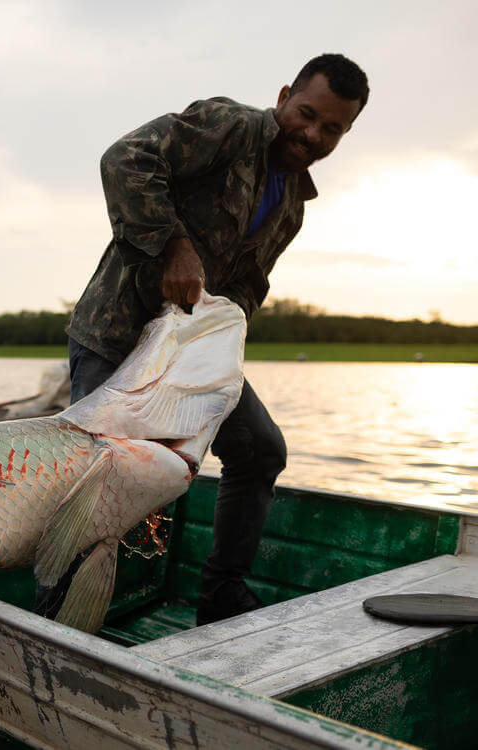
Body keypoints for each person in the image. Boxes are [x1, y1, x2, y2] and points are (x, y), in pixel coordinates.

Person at [53, 54, 369, 626]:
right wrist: (173, 244)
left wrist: (221, 346)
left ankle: (221, 594)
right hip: (118, 336)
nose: (312, 134)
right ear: (283, 98)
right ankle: (55, 620)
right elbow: (125, 159)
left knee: (260, 451)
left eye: (332, 129)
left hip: (193, 360)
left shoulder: (294, 204)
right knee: (96, 481)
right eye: (306, 114)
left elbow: (248, 287)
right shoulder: (231, 126)